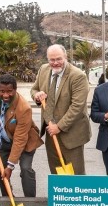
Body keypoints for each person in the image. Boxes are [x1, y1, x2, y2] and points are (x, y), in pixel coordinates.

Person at [31, 44, 91, 175]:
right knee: (56, 171)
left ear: (65, 57)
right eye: (51, 60)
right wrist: (36, 95)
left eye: (59, 59)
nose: (55, 63)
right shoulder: (43, 69)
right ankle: (60, 195)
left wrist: (59, 127)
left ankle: (76, 196)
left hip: (72, 133)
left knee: (75, 174)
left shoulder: (78, 76)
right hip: (50, 132)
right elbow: (34, 89)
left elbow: (77, 107)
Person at [0, 74, 43, 197]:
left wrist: (10, 166)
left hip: (25, 142)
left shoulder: (24, 108)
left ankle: (30, 200)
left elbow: (20, 139)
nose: (5, 95)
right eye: (2, 91)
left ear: (15, 90)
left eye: (9, 91)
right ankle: (8, 197)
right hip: (4, 141)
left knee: (26, 169)